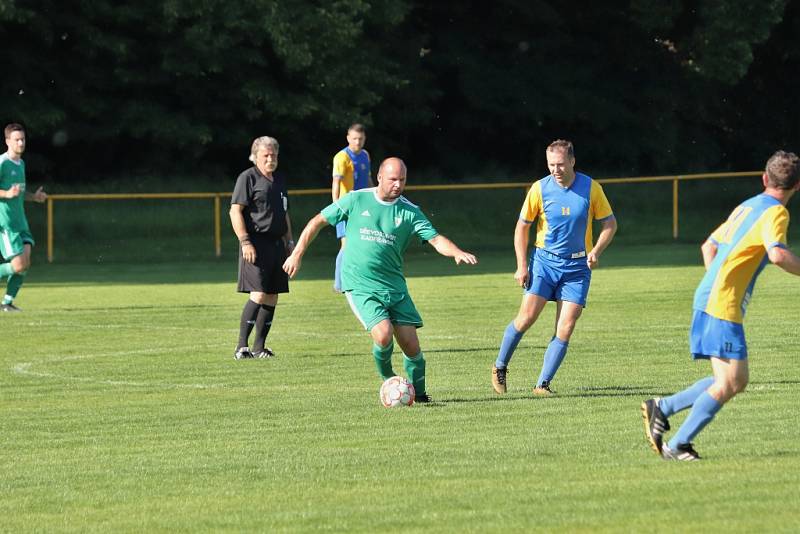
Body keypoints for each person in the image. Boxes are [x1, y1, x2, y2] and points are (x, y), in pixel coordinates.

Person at [641, 150, 800, 461]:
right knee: (729, 383)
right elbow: (778, 254)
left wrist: (716, 283)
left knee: (734, 380)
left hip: (710, 297)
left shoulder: (747, 206)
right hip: (721, 304)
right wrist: (724, 288)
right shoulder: (777, 213)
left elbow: (708, 246)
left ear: (764, 179)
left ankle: (664, 407)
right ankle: (678, 445)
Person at [283, 157, 477, 402]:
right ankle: (389, 377)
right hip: (360, 283)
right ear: (380, 177)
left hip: (394, 286)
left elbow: (436, 239)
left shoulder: (409, 211)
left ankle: (421, 395)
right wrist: (297, 254)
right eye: (393, 179)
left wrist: (457, 252)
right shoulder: (356, 199)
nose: (398, 184)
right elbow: (317, 222)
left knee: (411, 345)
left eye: (402, 180)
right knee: (383, 334)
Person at [491, 140, 617, 395]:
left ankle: (542, 384)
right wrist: (521, 265)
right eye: (551, 165)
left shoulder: (591, 188)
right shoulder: (539, 189)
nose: (555, 169)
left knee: (566, 325)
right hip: (545, 263)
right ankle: (500, 366)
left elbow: (610, 224)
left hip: (578, 268)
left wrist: (596, 251)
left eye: (560, 164)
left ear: (572, 161)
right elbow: (522, 227)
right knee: (526, 318)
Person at [229, 136, 294, 360]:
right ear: (255, 156)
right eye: (265, 155)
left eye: (273, 155)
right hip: (255, 243)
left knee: (272, 295)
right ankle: (241, 347)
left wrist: (290, 242)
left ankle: (259, 347)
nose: (270, 159)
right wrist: (245, 241)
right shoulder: (247, 178)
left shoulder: (280, 180)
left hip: (277, 244)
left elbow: (284, 214)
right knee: (257, 294)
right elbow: (235, 211)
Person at [0, 123, 47, 312]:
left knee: (25, 263)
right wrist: (6, 194)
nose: (20, 142)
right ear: (7, 141)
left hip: (21, 221)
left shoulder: (21, 164)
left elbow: (19, 191)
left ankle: (7, 303)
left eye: (23, 139)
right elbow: (8, 192)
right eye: (16, 139)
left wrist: (33, 197)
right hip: (6, 222)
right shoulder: (2, 162)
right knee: (18, 265)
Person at [331, 123, 372, 292]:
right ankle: (339, 284)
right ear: (348, 138)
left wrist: (375, 195)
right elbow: (336, 182)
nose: (357, 142)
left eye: (360, 139)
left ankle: (358, 279)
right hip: (347, 208)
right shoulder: (341, 157)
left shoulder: (365, 155)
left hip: (364, 208)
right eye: (354, 138)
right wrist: (337, 206)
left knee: (364, 244)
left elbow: (368, 180)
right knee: (346, 245)